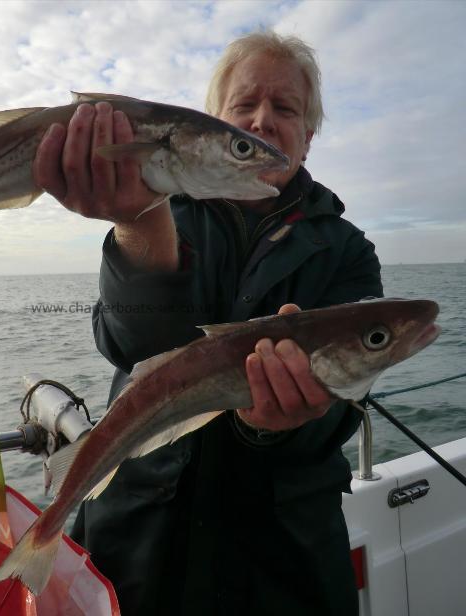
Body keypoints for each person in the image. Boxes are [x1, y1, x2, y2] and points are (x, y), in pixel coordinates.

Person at [33, 31, 382, 615]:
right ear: (210, 122)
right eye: (243, 107)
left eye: (286, 108)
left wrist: (277, 425)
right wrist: (142, 224)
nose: (262, 121)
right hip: (136, 544)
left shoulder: (347, 253)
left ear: (309, 136)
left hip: (279, 566)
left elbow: (341, 409)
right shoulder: (155, 206)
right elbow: (127, 346)